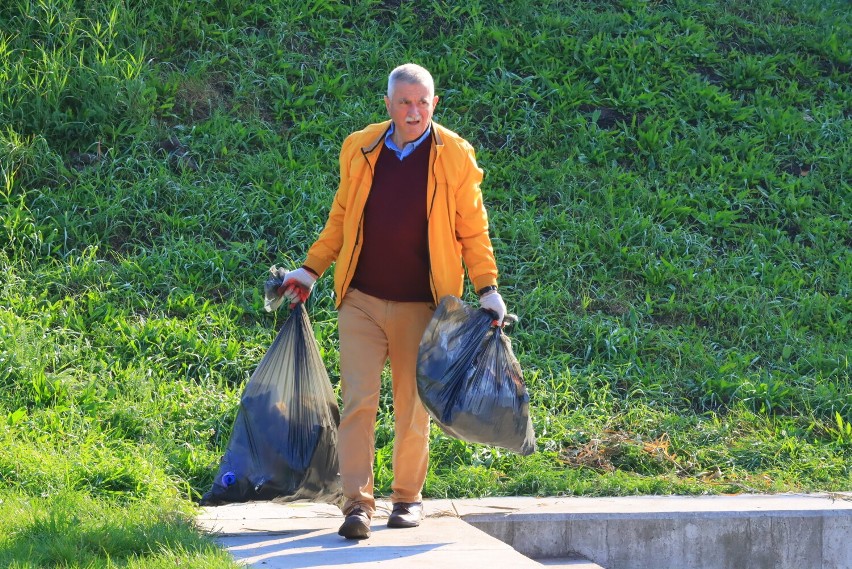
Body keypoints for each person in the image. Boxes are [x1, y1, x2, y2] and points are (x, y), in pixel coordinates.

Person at [277, 63, 507, 540]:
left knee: (412, 406)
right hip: (360, 297)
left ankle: (407, 499)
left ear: (434, 104)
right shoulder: (361, 148)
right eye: (404, 101)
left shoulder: (456, 156)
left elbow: (473, 229)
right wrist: (312, 268)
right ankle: (357, 504)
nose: (414, 111)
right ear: (388, 104)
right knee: (358, 402)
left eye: (423, 102)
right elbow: (341, 216)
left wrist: (487, 288)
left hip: (422, 304)